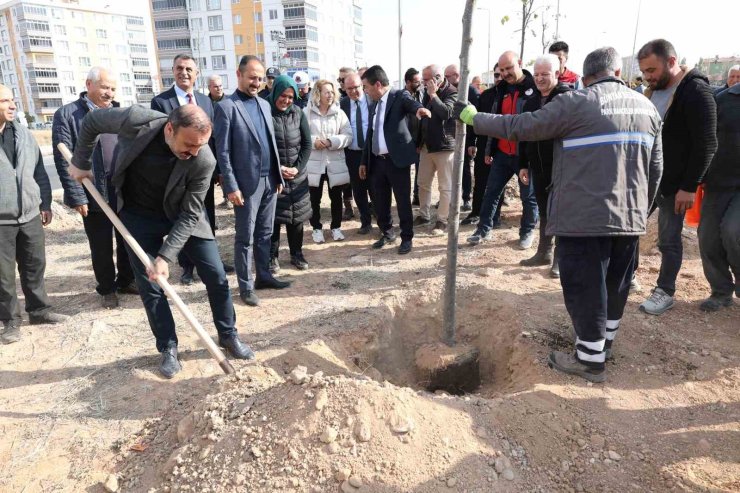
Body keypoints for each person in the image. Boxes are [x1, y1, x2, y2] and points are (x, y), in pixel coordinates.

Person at [455, 47, 663, 383]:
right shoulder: (647, 107)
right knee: (615, 283)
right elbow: (656, 168)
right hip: (629, 216)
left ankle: (589, 359)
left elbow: (522, 125)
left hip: (584, 217)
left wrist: (473, 117)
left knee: (584, 286)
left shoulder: (578, 103)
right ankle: (603, 345)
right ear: (617, 73)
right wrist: (640, 210)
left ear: (586, 76)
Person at [69, 104, 255, 377]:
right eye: (189, 144)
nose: (193, 152)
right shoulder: (136, 121)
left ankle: (228, 335)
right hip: (138, 212)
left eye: (199, 146)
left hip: (182, 213)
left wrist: (165, 257)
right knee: (150, 285)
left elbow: (191, 213)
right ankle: (168, 347)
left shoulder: (204, 159)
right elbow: (93, 121)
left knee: (216, 275)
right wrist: (81, 162)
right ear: (170, 128)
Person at [637, 39, 718, 315]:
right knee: (630, 227)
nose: (647, 76)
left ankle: (665, 291)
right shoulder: (652, 91)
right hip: (647, 178)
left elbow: (706, 143)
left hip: (675, 185)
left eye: (651, 70)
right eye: (644, 71)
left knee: (668, 240)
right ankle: (628, 276)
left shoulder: (695, 91)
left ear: (671, 62)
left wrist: (689, 186)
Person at [52, 66, 136, 309]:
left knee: (127, 239)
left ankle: (127, 280)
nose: (109, 93)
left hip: (121, 188)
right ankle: (107, 288)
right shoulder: (68, 115)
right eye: (105, 87)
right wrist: (78, 195)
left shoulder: (119, 113)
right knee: (100, 243)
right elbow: (63, 158)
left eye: (112, 88)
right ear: (89, 85)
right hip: (93, 189)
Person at [214, 55, 289, 308]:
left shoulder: (265, 105)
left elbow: (271, 144)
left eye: (259, 78)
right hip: (246, 185)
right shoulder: (226, 107)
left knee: (266, 233)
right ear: (239, 74)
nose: (256, 82)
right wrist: (230, 186)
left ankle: (264, 276)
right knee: (245, 237)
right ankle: (245, 287)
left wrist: (277, 175)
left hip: (269, 181)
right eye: (252, 77)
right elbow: (222, 152)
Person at [0, 84, 68, 344]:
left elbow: (39, 171)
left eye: (12, 100)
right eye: (5, 101)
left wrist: (45, 203)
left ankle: (39, 311)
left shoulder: (24, 134)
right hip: (1, 221)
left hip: (29, 215)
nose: (12, 105)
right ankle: (10, 321)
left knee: (34, 266)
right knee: (3, 275)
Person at [151, 54, 225, 286]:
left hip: (202, 171)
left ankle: (207, 260)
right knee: (182, 218)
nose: (184, 73)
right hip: (175, 175)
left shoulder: (205, 101)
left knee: (206, 217)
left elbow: (212, 139)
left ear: (196, 74)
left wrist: (218, 171)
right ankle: (186, 266)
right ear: (173, 71)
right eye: (180, 68)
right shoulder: (161, 101)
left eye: (189, 69)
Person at [467, 51, 539, 250]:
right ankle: (483, 229)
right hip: (501, 153)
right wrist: (489, 148)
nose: (506, 73)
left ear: (520, 63)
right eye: (502, 70)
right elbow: (494, 120)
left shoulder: (534, 88)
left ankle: (526, 231)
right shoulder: (501, 90)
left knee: (528, 196)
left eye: (509, 68)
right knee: (491, 192)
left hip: (524, 155)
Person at [359, 65, 431, 255]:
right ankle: (388, 232)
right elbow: (371, 134)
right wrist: (364, 161)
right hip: (376, 161)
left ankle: (406, 237)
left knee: (402, 201)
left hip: (395, 161)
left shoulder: (398, 96)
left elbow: (411, 103)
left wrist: (420, 109)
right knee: (380, 201)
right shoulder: (374, 103)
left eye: (366, 86)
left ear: (377, 84)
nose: (364, 90)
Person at [518, 55, 571, 277]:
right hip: (537, 166)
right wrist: (523, 164)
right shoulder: (530, 102)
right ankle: (544, 252)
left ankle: (560, 259)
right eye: (536, 74)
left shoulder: (567, 98)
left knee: (561, 213)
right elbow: (522, 132)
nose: (539, 79)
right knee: (543, 210)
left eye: (545, 74)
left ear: (556, 74)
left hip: (562, 168)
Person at [697, 77, 739, 311]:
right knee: (708, 236)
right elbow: (705, 139)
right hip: (719, 181)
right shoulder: (723, 100)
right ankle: (721, 290)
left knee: (733, 230)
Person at [268, 75, 312, 272]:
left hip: (296, 175)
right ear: (276, 92)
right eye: (283, 95)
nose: (286, 100)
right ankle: (272, 257)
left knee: (297, 218)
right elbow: (262, 146)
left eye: (291, 97)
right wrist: (277, 169)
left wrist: (297, 168)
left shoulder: (298, 113)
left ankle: (297, 253)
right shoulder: (265, 111)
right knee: (274, 218)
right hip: (273, 175)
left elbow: (307, 144)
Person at [305, 79, 352, 243]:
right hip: (314, 163)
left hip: (335, 162)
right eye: (326, 92)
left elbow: (348, 136)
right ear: (318, 93)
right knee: (314, 199)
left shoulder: (339, 113)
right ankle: (316, 228)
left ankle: (336, 227)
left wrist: (332, 141)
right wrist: (314, 141)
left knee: (336, 197)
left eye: (332, 92)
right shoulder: (307, 112)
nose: (330, 95)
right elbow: (300, 135)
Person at [415, 64, 458, 235]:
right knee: (422, 182)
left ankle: (442, 220)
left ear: (438, 77)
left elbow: (446, 113)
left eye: (426, 79)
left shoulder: (452, 92)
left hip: (444, 146)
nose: (423, 83)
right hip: (427, 146)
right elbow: (424, 118)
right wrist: (419, 143)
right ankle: (424, 215)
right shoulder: (425, 92)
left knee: (445, 186)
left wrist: (433, 95)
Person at [462, 63, 502, 226]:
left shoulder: (511, 95)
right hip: (485, 144)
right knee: (480, 180)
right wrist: (471, 142)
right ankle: (476, 212)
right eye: (497, 75)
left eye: (503, 74)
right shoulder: (486, 95)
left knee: (499, 183)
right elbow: (474, 120)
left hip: (503, 145)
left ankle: (495, 217)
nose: (500, 78)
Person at [341, 72, 374, 235]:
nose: (353, 91)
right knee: (358, 190)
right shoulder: (342, 105)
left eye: (356, 87)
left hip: (372, 153)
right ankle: (365, 222)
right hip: (353, 154)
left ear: (362, 85)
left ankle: (381, 220)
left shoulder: (372, 101)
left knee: (375, 187)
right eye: (349, 89)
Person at [446, 64, 480, 211]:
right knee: (451, 170)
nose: (446, 79)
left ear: (457, 75)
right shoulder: (447, 91)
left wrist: (472, 142)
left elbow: (475, 117)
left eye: (448, 76)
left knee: (465, 168)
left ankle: (467, 198)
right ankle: (452, 198)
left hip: (466, 138)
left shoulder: (470, 91)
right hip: (451, 137)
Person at [336, 67, 357, 222]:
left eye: (343, 79)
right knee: (345, 180)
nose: (341, 83)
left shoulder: (363, 98)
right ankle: (348, 207)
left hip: (361, 146)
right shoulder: (338, 100)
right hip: (344, 147)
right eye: (340, 80)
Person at [403, 67, 423, 206]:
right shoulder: (401, 96)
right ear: (408, 82)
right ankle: (404, 197)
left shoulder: (421, 94)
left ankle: (417, 196)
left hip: (418, 139)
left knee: (420, 170)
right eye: (416, 81)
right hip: (405, 140)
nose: (419, 84)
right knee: (404, 172)